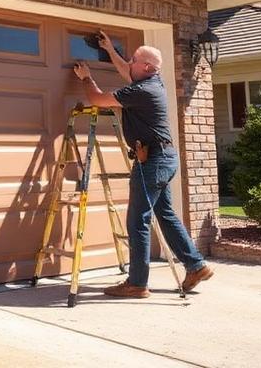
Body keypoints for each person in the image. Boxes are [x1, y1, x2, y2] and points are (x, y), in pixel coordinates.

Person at [73, 32, 213, 298]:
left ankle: (137, 283)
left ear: (147, 67)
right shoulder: (152, 83)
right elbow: (127, 71)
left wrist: (86, 78)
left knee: (138, 220)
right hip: (162, 159)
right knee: (165, 214)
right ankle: (196, 266)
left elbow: (98, 100)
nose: (129, 62)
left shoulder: (142, 90)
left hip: (153, 162)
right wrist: (109, 50)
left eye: (134, 60)